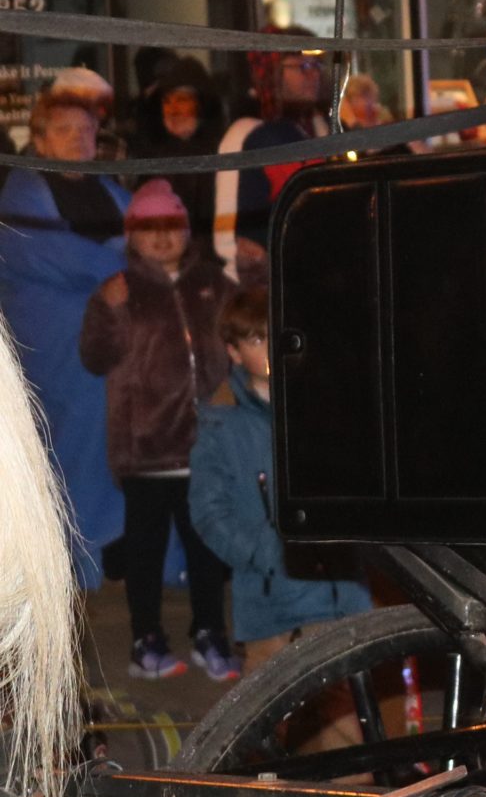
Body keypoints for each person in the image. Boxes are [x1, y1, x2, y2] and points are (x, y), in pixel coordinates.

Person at [190, 285, 368, 735]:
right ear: (232, 351)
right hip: (274, 609)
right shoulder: (220, 424)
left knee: (350, 750)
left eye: (277, 337)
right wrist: (272, 553)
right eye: (255, 339)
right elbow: (210, 515)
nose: (269, 349)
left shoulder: (331, 409)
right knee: (265, 748)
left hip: (343, 600)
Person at [78, 179, 238, 679]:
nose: (163, 238)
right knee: (144, 551)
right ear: (131, 236)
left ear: (188, 231)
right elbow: (93, 357)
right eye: (150, 228)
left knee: (206, 544)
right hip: (146, 447)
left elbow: (243, 331)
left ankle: (209, 631)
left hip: (204, 444)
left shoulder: (212, 282)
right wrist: (110, 310)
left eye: (172, 226)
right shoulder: (121, 288)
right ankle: (146, 638)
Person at [0, 84, 131, 584]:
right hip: (59, 346)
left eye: (87, 129)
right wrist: (117, 273)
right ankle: (76, 570)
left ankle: (125, 563)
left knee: (115, 447)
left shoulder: (112, 189)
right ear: (40, 139)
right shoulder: (24, 189)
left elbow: (148, 238)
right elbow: (45, 254)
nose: (78, 139)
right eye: (64, 130)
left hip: (108, 342)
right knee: (71, 452)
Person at [212, 40, 329, 283]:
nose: (313, 74)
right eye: (302, 65)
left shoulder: (320, 127)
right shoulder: (248, 133)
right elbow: (229, 230)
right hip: (267, 281)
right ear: (272, 72)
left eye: (317, 64)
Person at [133, 57, 221, 258]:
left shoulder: (224, 153)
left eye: (181, 100)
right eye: (167, 101)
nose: (172, 110)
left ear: (201, 104)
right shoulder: (154, 158)